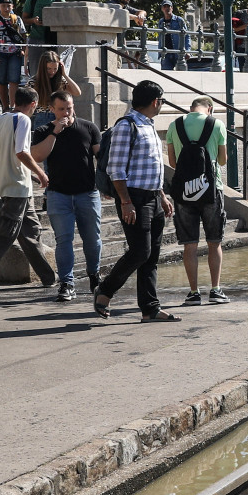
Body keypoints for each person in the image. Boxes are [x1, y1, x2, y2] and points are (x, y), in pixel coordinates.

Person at [94, 79, 180, 323]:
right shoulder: (127, 125)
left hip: (153, 197)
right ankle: (105, 290)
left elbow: (152, 167)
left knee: (151, 256)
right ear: (155, 101)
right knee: (141, 251)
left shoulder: (148, 125)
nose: (161, 104)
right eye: (161, 101)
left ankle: (150, 309)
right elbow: (116, 168)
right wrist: (125, 202)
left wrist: (162, 195)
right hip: (134, 198)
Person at [0, 87, 56, 292]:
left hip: (10, 181)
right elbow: (21, 152)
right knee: (6, 233)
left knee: (30, 230)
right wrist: (41, 173)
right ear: (34, 104)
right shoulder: (24, 120)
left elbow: (9, 150)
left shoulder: (3, 118)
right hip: (16, 184)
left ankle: (48, 276)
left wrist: (33, 175)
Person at [31, 93, 101, 303]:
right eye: (61, 109)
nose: (66, 113)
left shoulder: (88, 127)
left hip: (87, 193)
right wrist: (55, 132)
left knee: (93, 240)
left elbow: (102, 156)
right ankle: (67, 283)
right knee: (64, 241)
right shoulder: (44, 131)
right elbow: (37, 156)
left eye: (69, 108)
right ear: (52, 109)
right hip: (58, 194)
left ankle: (94, 276)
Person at [166, 96, 230, 306]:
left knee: (190, 245)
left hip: (184, 192)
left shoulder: (174, 125)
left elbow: (173, 162)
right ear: (209, 109)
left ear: (191, 108)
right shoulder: (217, 124)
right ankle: (215, 290)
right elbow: (222, 160)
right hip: (212, 190)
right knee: (214, 242)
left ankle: (193, 292)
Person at [0, 0, 30, 111]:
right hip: (0, 53)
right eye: (3, 5)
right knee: (2, 80)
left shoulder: (17, 19)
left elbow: (24, 36)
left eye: (8, 5)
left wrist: (23, 50)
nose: (6, 8)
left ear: (12, 7)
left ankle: (13, 106)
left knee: (14, 80)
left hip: (15, 52)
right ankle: (4, 106)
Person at [23, 0, 61, 74]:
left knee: (53, 72)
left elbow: (65, 21)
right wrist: (33, 20)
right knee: (36, 72)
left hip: (53, 40)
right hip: (35, 39)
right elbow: (24, 19)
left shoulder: (59, 1)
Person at [33, 48, 81, 114]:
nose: (52, 72)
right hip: (42, 116)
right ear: (43, 67)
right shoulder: (33, 81)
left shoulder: (60, 80)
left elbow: (77, 92)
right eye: (49, 69)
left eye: (55, 69)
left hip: (60, 115)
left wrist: (65, 75)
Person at [158, 0, 188, 70]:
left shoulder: (179, 20)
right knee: (166, 75)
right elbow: (160, 37)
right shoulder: (161, 22)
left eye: (168, 6)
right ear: (162, 9)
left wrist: (188, 50)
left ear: (172, 8)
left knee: (181, 75)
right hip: (166, 53)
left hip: (178, 52)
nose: (166, 8)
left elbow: (186, 36)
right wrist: (160, 52)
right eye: (164, 7)